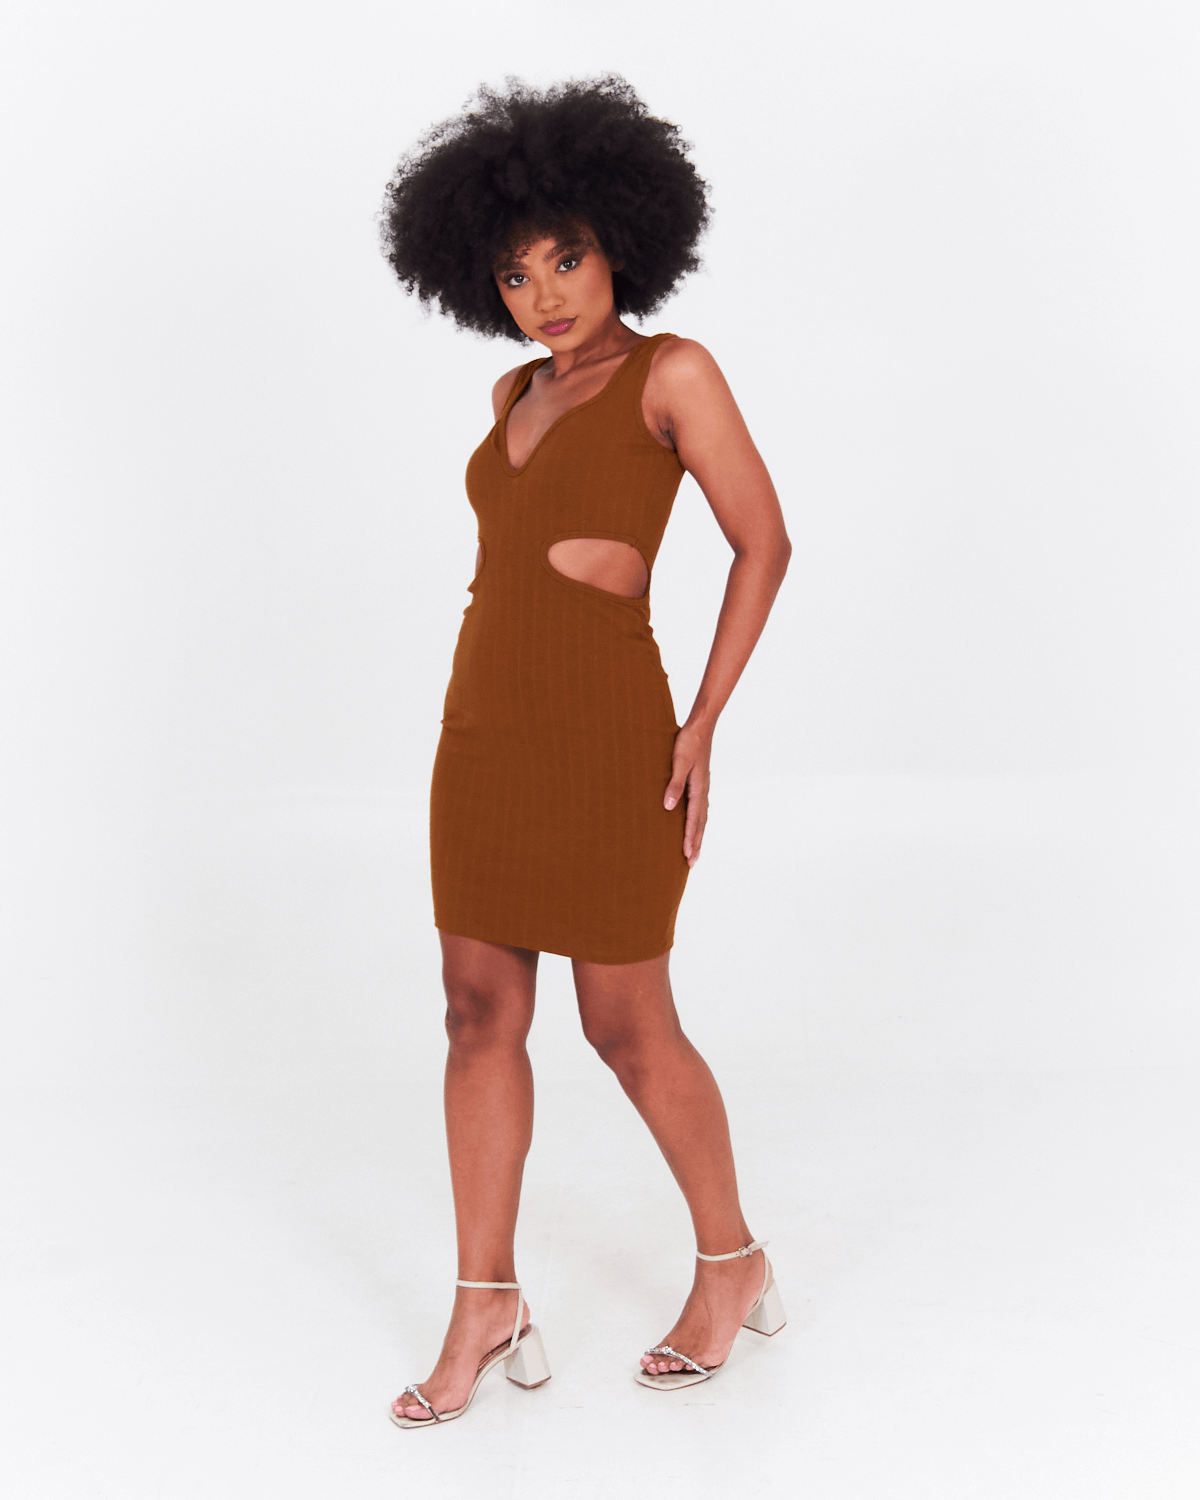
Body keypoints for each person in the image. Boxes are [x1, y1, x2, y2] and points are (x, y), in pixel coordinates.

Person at [378, 76, 792, 1427]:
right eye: (515, 273)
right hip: (482, 733)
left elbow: (763, 543)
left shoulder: (674, 372)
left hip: (611, 734)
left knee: (625, 1023)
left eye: (566, 258)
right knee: (476, 1014)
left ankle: (731, 1262)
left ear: (621, 241)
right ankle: (485, 1300)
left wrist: (703, 722)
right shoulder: (512, 389)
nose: (544, 294)